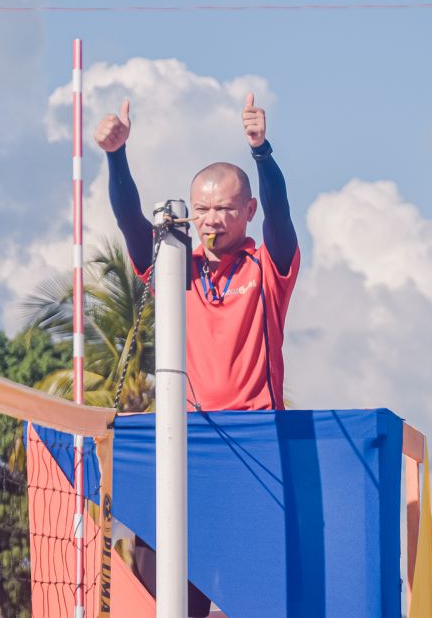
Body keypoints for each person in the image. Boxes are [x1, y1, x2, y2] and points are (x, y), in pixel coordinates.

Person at [94, 91, 299, 412]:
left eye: (224, 208)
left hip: (259, 424)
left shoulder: (266, 265)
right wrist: (115, 154)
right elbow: (130, 222)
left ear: (249, 210)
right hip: (189, 429)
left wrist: (260, 150)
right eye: (202, 209)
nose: (211, 220)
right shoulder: (176, 266)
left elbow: (279, 216)